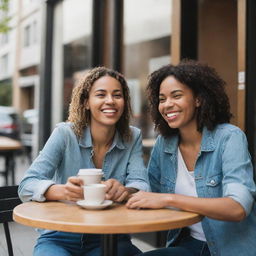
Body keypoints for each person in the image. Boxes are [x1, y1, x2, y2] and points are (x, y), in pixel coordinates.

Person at [126, 60, 256, 256]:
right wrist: (122, 190)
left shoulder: (229, 138)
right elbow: (149, 192)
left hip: (229, 249)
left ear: (198, 99)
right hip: (188, 245)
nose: (167, 104)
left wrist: (170, 199)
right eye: (162, 99)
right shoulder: (165, 143)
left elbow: (237, 207)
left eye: (176, 96)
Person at [18, 66, 149, 256]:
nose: (110, 101)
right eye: (101, 94)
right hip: (60, 236)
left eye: (117, 95)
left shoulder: (132, 136)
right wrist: (63, 191)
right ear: (86, 102)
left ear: (124, 102)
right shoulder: (65, 134)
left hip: (110, 236)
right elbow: (27, 184)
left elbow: (142, 185)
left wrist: (125, 190)